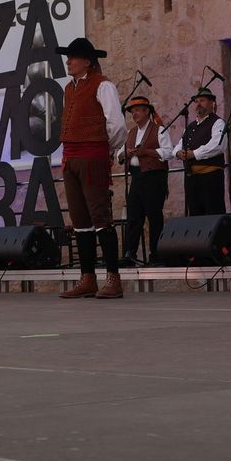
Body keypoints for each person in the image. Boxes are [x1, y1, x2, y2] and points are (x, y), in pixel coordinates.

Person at [55, 37, 127, 299]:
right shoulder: (69, 89)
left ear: (87, 61)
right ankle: (87, 278)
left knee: (100, 217)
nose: (68, 61)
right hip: (70, 158)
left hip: (92, 156)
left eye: (73, 57)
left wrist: (106, 151)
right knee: (80, 220)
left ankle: (113, 279)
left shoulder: (103, 85)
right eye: (68, 57)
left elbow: (117, 125)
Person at [119, 95, 172, 266]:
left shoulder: (159, 130)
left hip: (153, 177)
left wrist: (147, 152)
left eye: (137, 110)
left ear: (147, 111)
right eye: (132, 111)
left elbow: (168, 152)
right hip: (136, 177)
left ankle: (156, 255)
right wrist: (125, 154)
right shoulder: (131, 133)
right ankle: (130, 253)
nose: (133, 114)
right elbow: (119, 154)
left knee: (154, 216)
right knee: (133, 217)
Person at [176, 87, 228, 217]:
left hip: (210, 177)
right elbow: (178, 145)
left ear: (212, 103)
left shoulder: (217, 122)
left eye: (202, 100)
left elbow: (218, 145)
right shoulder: (190, 126)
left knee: (213, 214)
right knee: (195, 215)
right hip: (192, 178)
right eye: (197, 101)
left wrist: (194, 154)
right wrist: (178, 153)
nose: (198, 103)